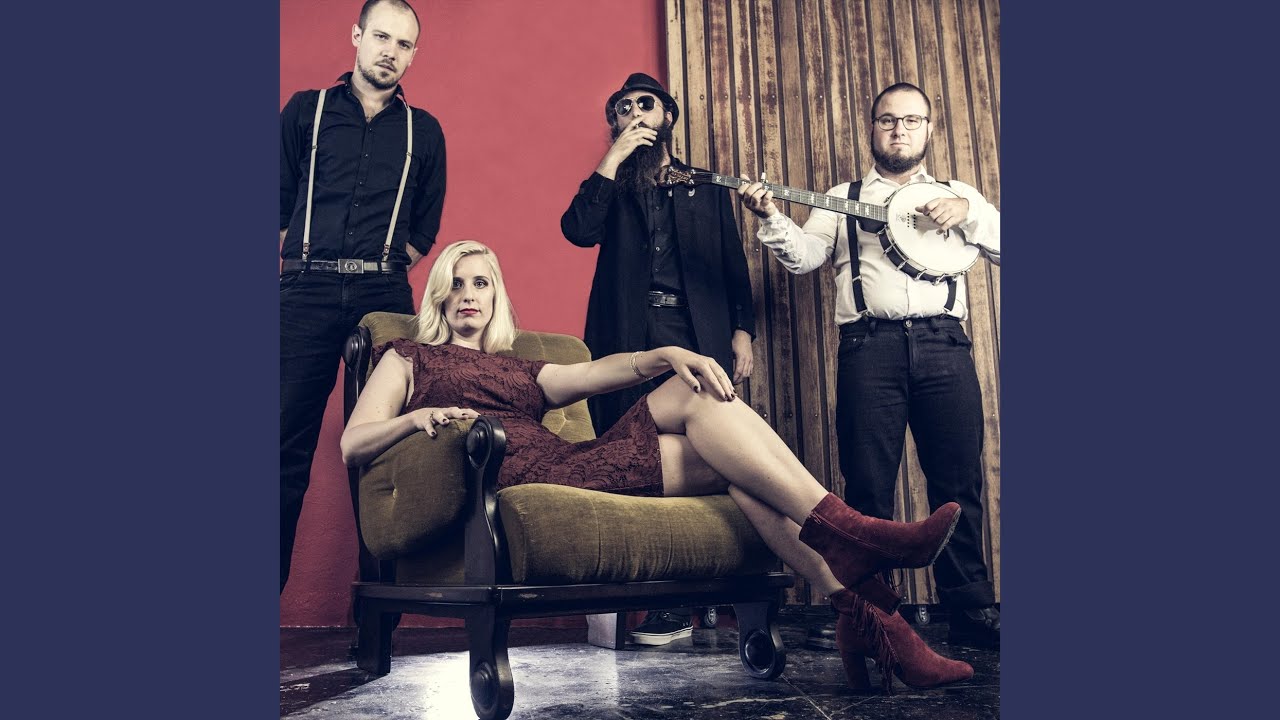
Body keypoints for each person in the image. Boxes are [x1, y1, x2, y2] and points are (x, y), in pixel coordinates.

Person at [341, 240, 973, 693]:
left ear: (496, 295)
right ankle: (859, 549)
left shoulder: (523, 369)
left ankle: (860, 608)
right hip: (519, 476)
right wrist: (416, 420)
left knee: (726, 446)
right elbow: (354, 443)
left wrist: (667, 352)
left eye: (481, 283)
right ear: (439, 293)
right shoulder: (408, 358)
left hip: (574, 462)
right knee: (713, 424)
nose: (468, 295)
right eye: (457, 282)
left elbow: (599, 373)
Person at [736, 82, 1002, 649]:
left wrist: (971, 215)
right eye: (888, 120)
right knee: (867, 484)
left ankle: (971, 609)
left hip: (944, 345)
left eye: (911, 120)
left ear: (928, 129)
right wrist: (772, 215)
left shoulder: (960, 194)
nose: (899, 129)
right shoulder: (842, 197)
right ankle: (872, 611)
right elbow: (804, 259)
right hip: (868, 348)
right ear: (873, 128)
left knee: (959, 481)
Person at [560, 72, 756, 644]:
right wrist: (613, 158)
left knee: (709, 451)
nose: (634, 114)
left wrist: (742, 331)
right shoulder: (613, 187)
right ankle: (657, 598)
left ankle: (708, 593)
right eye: (622, 109)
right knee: (637, 453)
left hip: (697, 330)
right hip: (629, 334)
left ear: (668, 115)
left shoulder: (705, 185)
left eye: (645, 104)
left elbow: (732, 262)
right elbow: (576, 230)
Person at [279, 0, 446, 593]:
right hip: (306, 290)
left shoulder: (424, 130)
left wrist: (377, 270)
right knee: (281, 443)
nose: (389, 52)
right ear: (356, 36)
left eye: (403, 44)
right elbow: (277, 205)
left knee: (388, 446)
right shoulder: (307, 111)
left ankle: (380, 613)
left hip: (383, 296)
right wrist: (311, 263)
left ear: (413, 54)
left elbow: (423, 230)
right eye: (381, 37)